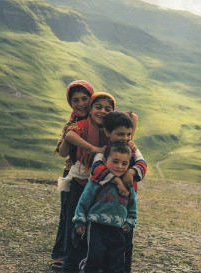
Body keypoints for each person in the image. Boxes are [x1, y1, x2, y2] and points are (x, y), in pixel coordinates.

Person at [58, 92, 117, 272]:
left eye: (108, 108)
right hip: (80, 180)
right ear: (90, 109)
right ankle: (69, 264)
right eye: (98, 107)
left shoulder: (110, 129)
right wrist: (94, 149)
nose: (102, 111)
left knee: (94, 224)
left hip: (101, 183)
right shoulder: (81, 125)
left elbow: (132, 120)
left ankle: (88, 261)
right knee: (74, 222)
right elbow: (68, 137)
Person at [90, 111, 147, 273]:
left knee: (124, 243)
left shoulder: (134, 152)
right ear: (108, 133)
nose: (126, 138)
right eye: (120, 134)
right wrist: (116, 180)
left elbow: (143, 166)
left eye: (129, 134)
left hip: (125, 206)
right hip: (102, 206)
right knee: (99, 244)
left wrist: (131, 172)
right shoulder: (103, 152)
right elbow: (96, 169)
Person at [51, 80, 95, 269]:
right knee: (67, 215)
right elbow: (62, 152)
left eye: (85, 98)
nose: (80, 103)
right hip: (72, 172)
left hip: (92, 174)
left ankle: (82, 254)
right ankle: (61, 253)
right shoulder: (71, 123)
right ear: (70, 103)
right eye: (75, 100)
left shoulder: (98, 119)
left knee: (86, 214)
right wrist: (69, 135)